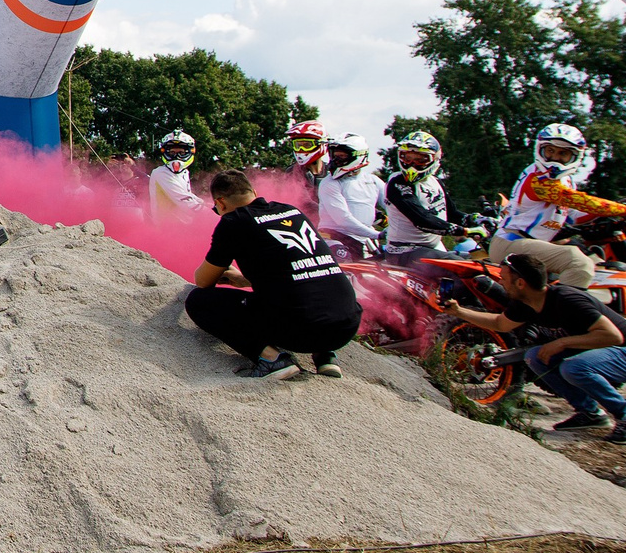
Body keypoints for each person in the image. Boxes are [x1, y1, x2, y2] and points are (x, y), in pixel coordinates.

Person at [448, 253, 626, 442]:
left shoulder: (567, 299)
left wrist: (562, 342)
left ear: (520, 283)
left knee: (573, 367)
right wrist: (459, 311)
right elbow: (500, 324)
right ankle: (590, 413)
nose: (500, 282)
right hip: (604, 351)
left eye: (503, 277)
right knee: (535, 357)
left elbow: (612, 336)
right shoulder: (527, 304)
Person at [188, 167, 363, 380]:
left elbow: (203, 281)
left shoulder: (234, 221)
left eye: (217, 209)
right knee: (311, 287)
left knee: (198, 301)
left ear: (221, 203)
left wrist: (225, 275)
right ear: (252, 191)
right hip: (346, 326)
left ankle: (272, 360)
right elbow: (296, 270)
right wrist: (243, 280)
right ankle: (325, 357)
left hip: (303, 330)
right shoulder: (292, 212)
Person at [490, 122, 626, 294]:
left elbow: (574, 215)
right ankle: (562, 314)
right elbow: (577, 200)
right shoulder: (539, 179)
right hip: (512, 242)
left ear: (575, 156)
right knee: (578, 262)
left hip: (525, 244)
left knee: (591, 258)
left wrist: (612, 212)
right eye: (550, 151)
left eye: (563, 153)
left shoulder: (564, 181)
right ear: (540, 149)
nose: (555, 158)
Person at [380, 130, 458, 261]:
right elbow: (421, 219)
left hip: (430, 248)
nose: (412, 164)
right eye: (407, 158)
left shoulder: (436, 182)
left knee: (476, 262)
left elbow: (452, 214)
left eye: (420, 159)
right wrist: (464, 231)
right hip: (403, 251)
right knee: (467, 271)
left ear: (435, 159)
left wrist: (476, 220)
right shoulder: (397, 182)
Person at [313, 133, 384, 257]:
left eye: (341, 156)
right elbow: (343, 219)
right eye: (334, 155)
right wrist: (377, 234)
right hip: (333, 237)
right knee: (343, 262)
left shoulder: (373, 180)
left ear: (359, 156)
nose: (335, 160)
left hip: (366, 241)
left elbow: (393, 207)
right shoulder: (329, 183)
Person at [148, 131, 203, 218]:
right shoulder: (161, 173)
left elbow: (187, 195)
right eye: (172, 153)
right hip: (167, 228)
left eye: (181, 153)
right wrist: (212, 214)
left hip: (183, 227)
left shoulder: (184, 173)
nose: (176, 157)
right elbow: (185, 202)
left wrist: (207, 204)